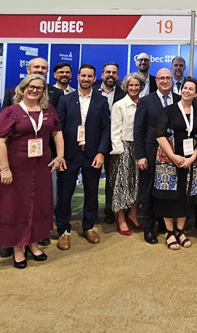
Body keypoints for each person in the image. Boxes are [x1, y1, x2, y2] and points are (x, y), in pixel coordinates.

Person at [0, 74, 66, 268]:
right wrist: (5, 169)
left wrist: (60, 157)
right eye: (31, 86)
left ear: (43, 91)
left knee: (39, 205)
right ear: (22, 88)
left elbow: (57, 132)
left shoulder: (49, 109)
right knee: (16, 206)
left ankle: (33, 243)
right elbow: (0, 141)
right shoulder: (11, 111)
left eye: (39, 88)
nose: (34, 90)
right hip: (16, 166)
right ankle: (18, 248)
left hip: (42, 166)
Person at [55, 64, 111, 250]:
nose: (86, 79)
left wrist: (101, 152)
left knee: (92, 192)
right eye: (83, 75)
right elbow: (58, 129)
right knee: (65, 193)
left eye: (90, 76)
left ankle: (89, 226)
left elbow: (106, 128)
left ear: (95, 79)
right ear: (77, 77)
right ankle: (64, 230)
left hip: (92, 154)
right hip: (69, 154)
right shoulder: (65, 100)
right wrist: (60, 155)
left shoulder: (101, 101)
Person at [154, 77, 197, 250]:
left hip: (189, 160)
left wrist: (192, 158)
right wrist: (173, 157)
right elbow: (160, 135)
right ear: (181, 90)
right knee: (168, 196)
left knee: (185, 196)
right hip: (169, 159)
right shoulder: (169, 111)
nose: (187, 91)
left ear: (196, 94)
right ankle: (169, 232)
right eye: (185, 88)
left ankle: (180, 231)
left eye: (191, 89)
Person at [133, 68, 180, 244]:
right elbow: (138, 130)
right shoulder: (146, 101)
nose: (165, 81)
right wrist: (140, 156)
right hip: (151, 152)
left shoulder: (179, 99)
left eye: (168, 78)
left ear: (172, 81)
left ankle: (164, 224)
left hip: (174, 153)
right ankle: (148, 227)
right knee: (149, 191)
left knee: (167, 189)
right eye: (161, 78)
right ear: (156, 81)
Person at [110, 73, 145, 235]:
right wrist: (119, 150)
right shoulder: (119, 105)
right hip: (123, 148)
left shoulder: (144, 103)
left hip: (140, 148)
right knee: (122, 184)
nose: (134, 88)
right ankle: (121, 218)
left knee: (138, 183)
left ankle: (133, 214)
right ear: (126, 86)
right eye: (131, 85)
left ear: (141, 86)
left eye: (137, 85)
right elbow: (115, 130)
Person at [95, 62, 126, 225]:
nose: (111, 75)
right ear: (102, 74)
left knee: (112, 179)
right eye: (108, 72)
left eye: (114, 72)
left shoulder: (124, 93)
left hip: (115, 143)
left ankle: (109, 209)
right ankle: (91, 211)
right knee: (92, 179)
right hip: (94, 142)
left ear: (118, 75)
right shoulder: (92, 91)